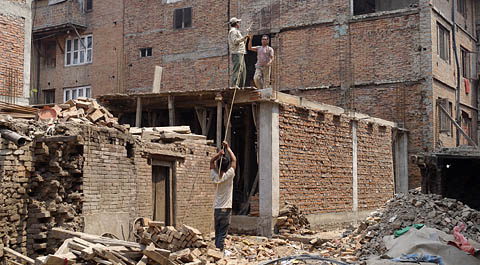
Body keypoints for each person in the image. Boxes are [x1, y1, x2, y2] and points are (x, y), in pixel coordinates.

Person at [210, 140, 237, 250]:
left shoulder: (215, 177)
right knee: (222, 234)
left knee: (217, 232)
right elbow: (234, 160)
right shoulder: (229, 176)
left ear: (218, 167)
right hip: (226, 209)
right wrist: (228, 148)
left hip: (217, 209)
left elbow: (211, 162)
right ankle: (219, 252)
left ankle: (216, 251)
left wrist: (218, 155)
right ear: (227, 167)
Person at [228, 17, 250, 88]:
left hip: (241, 52)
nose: (239, 24)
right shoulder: (233, 31)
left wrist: (244, 39)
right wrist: (243, 38)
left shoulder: (237, 31)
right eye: (238, 22)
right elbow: (235, 41)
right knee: (237, 69)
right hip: (237, 52)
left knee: (243, 70)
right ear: (236, 23)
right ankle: (234, 85)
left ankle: (241, 85)